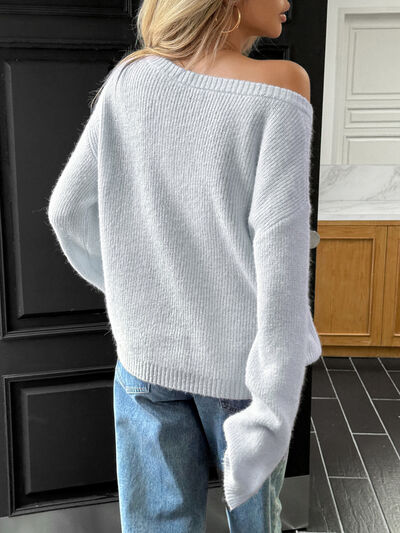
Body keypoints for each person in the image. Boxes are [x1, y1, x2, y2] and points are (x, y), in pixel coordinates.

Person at [46, 0, 323, 530]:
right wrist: (273, 407)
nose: (288, 1)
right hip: (240, 371)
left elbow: (66, 211)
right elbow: (281, 261)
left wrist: (134, 293)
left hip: (144, 358)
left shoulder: (132, 78)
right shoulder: (283, 85)